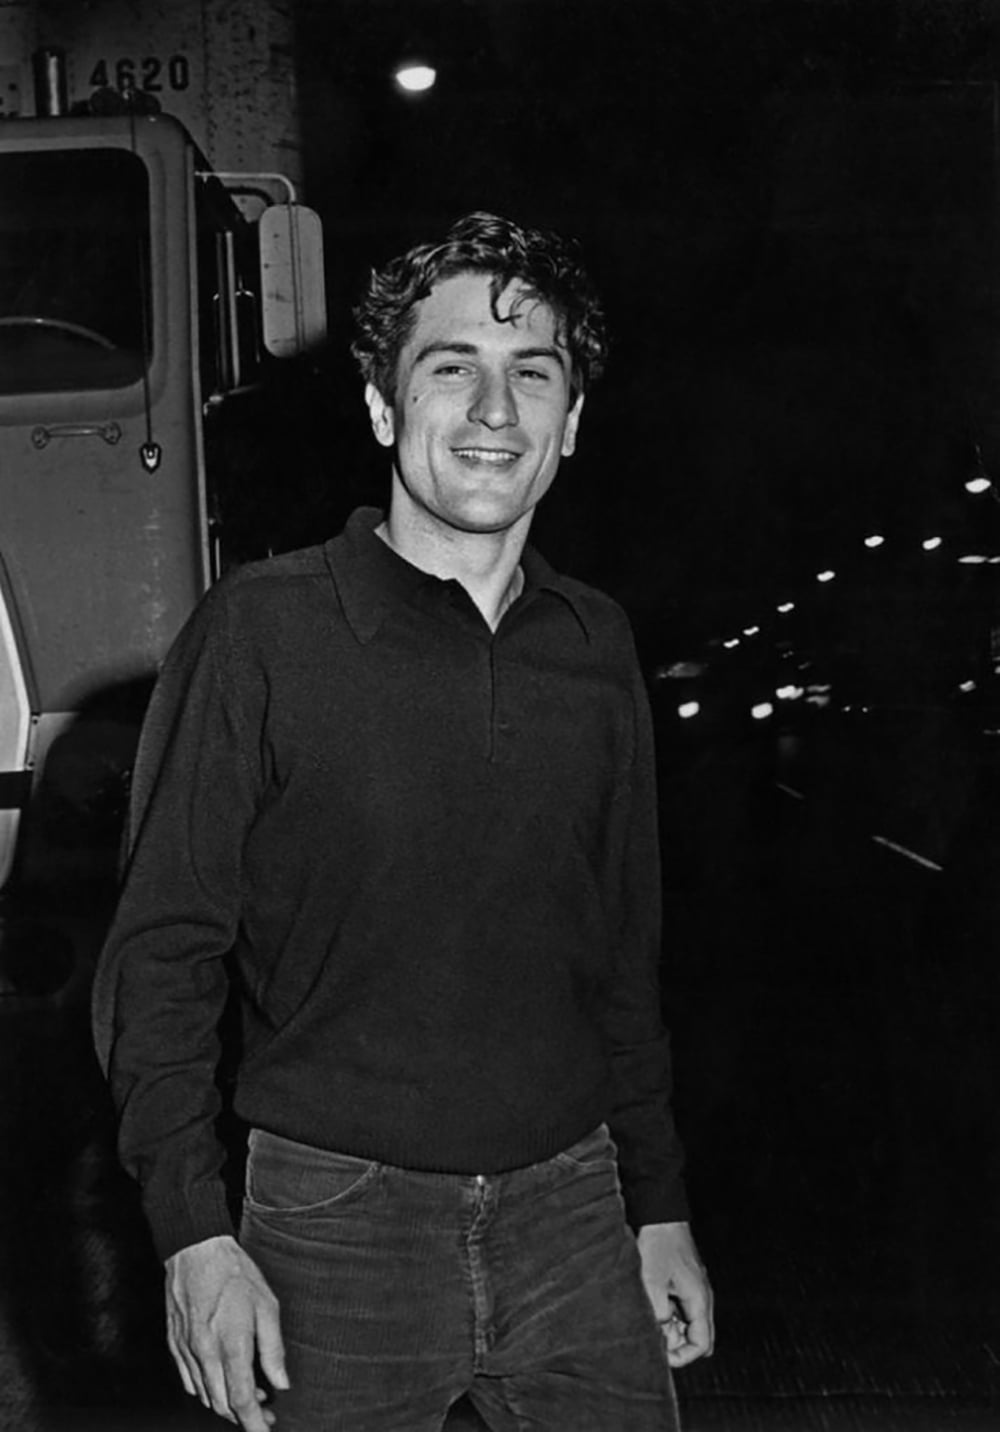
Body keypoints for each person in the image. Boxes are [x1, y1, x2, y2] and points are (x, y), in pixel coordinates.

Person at [92, 211, 714, 1432]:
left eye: (532, 374)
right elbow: (162, 953)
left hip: (573, 1210)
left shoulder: (597, 647)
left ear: (570, 421)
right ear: (383, 408)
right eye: (451, 370)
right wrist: (192, 1236)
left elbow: (622, 962)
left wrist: (657, 1202)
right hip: (333, 1226)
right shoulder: (261, 630)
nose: (495, 410)